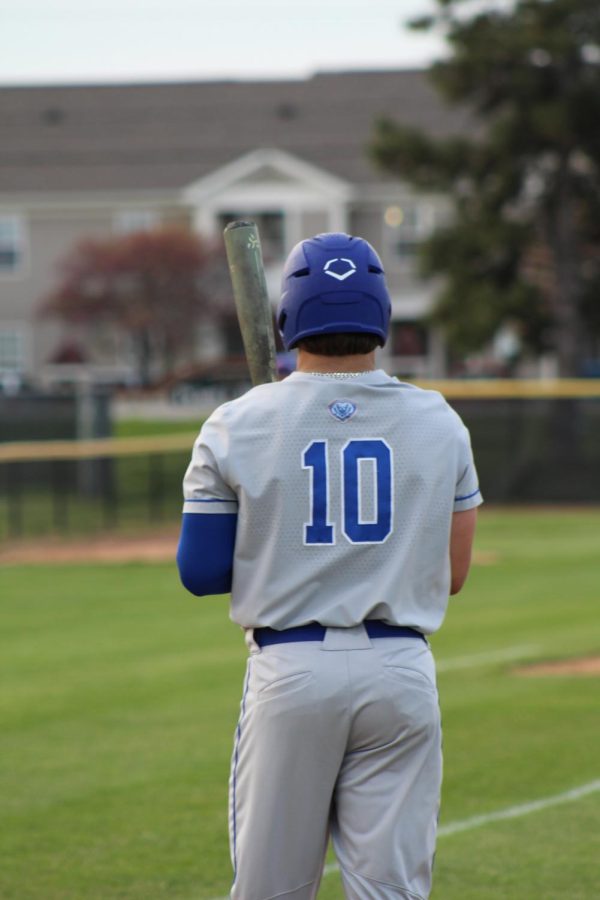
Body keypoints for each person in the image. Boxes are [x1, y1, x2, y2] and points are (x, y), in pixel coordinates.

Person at [177, 232, 482, 900]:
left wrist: (281, 537)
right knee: (391, 892)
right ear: (381, 318)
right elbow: (453, 574)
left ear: (287, 319)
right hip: (401, 673)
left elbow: (199, 571)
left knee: (274, 890)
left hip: (292, 671)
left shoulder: (236, 422)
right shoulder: (440, 421)